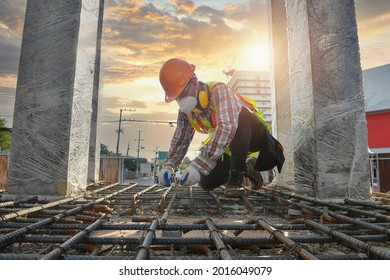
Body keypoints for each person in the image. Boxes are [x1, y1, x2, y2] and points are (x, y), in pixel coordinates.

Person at [157, 58, 285, 197]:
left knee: (238, 118)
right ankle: (248, 168)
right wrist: (169, 165)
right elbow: (180, 141)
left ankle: (236, 179)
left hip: (253, 135)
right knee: (206, 182)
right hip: (228, 145)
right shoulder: (186, 113)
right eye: (177, 97)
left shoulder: (219, 90)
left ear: (194, 82)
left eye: (182, 94)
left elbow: (227, 126)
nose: (181, 100)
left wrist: (197, 165)